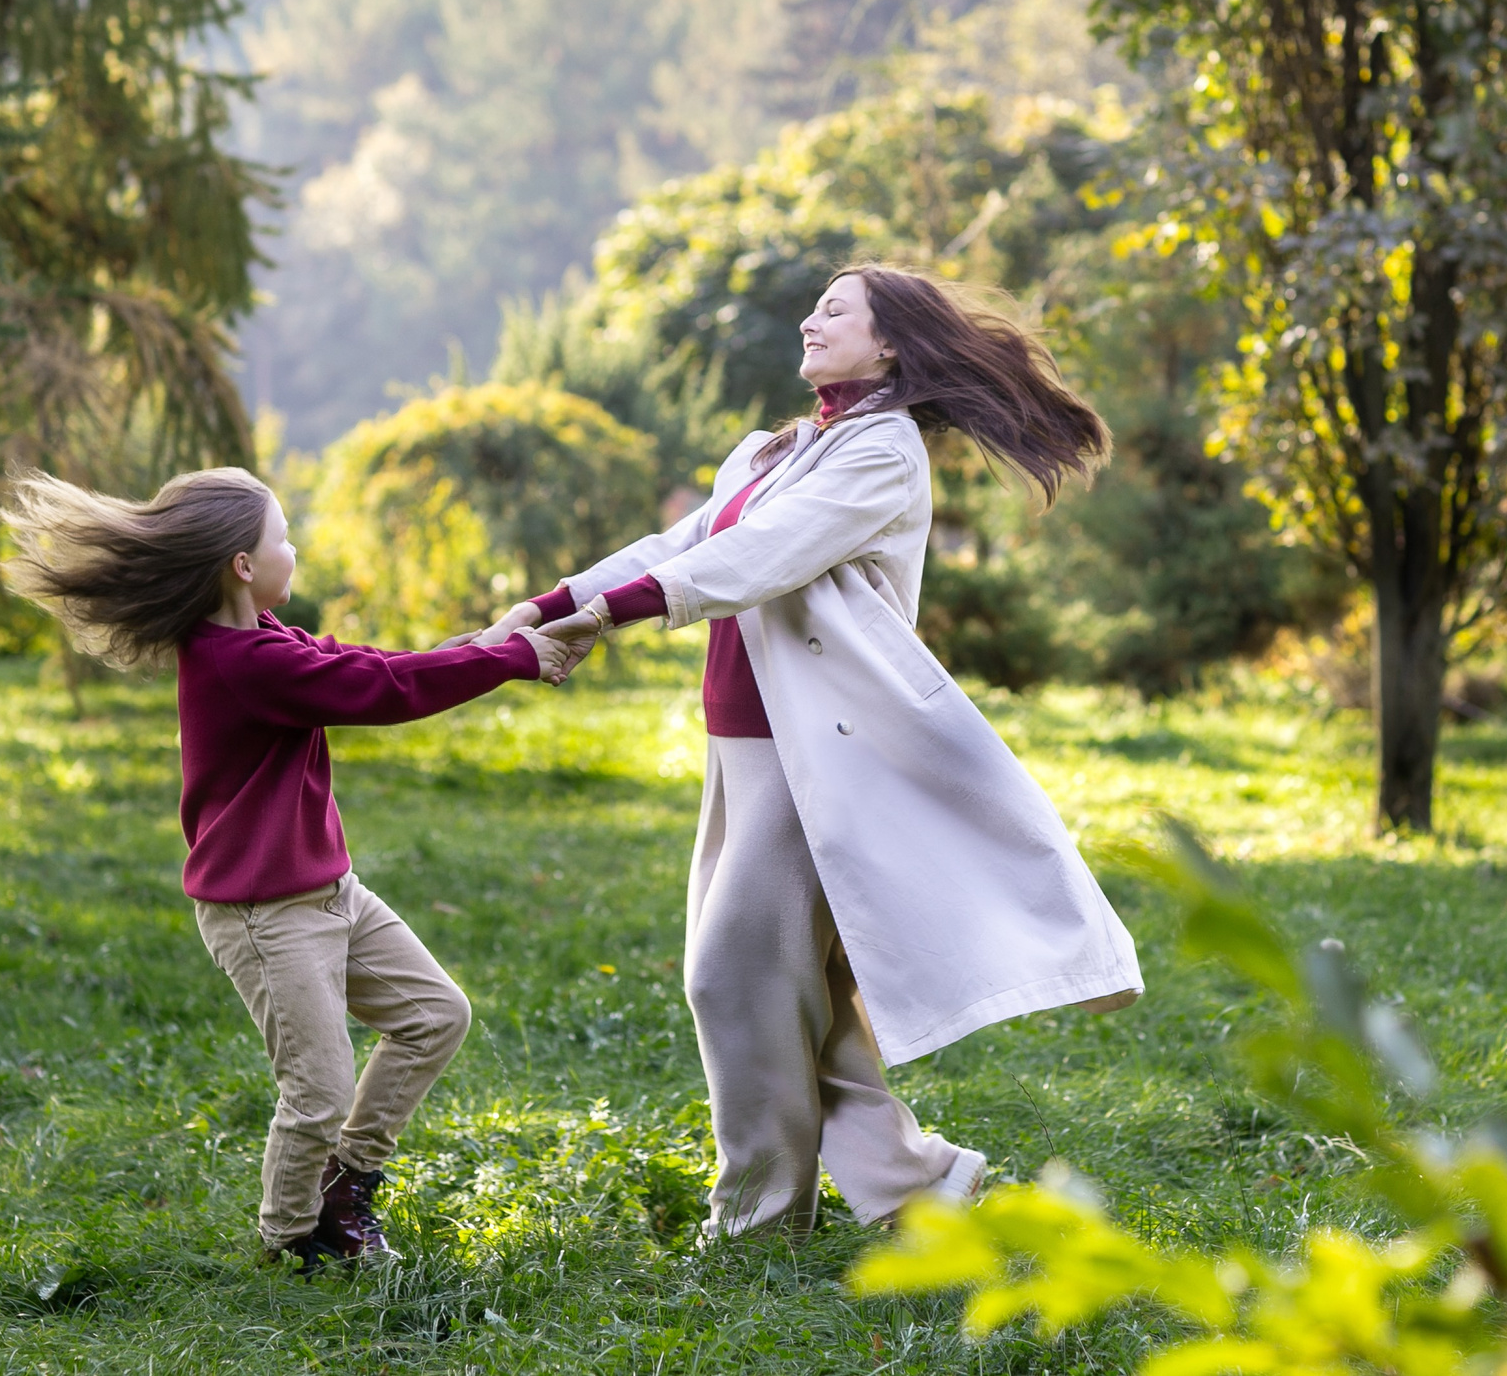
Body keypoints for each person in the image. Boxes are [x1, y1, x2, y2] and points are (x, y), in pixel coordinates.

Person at [465, 264, 1143, 1240]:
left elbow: (759, 556)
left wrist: (606, 616)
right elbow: (681, 541)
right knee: (793, 993)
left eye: (834, 310)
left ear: (890, 343)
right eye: (814, 308)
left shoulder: (884, 453)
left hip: (821, 753)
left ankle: (758, 1219)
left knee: (731, 974)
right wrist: (545, 605)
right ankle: (916, 1188)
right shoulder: (773, 449)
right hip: (740, 745)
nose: (808, 322)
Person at [0, 467, 602, 1270]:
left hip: (331, 894)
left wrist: (492, 643)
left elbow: (374, 664)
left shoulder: (266, 638)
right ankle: (291, 1240)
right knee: (317, 1092)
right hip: (265, 914)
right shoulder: (241, 662)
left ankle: (345, 1187)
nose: (295, 548)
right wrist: (512, 660)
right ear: (243, 563)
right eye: (283, 536)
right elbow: (381, 690)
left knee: (435, 1015)